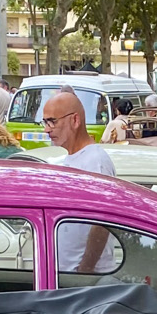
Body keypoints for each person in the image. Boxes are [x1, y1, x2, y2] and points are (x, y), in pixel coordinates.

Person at [41, 86, 118, 272]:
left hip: (85, 277)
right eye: (44, 122)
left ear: (75, 120)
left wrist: (85, 269)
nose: (46, 130)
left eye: (52, 122)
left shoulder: (95, 161)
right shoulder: (71, 159)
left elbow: (102, 222)